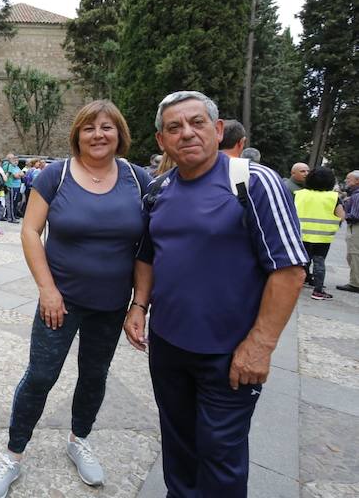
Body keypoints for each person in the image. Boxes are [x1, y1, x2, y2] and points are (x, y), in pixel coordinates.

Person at [124, 90, 307, 498]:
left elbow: (290, 270)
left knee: (220, 455)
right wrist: (139, 305)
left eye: (197, 123)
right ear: (161, 141)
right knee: (178, 446)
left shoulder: (253, 183)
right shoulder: (158, 190)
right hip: (169, 347)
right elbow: (148, 254)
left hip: (231, 354)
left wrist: (260, 345)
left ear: (218, 129)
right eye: (174, 127)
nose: (186, 133)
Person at [0, 101, 152, 497]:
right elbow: (30, 232)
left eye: (107, 127)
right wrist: (47, 290)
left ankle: (80, 440)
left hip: (111, 305)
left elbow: (147, 247)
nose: (98, 134)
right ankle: (13, 454)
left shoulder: (138, 179)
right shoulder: (56, 176)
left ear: (119, 133)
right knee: (41, 375)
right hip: (59, 302)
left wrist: (139, 304)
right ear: (77, 133)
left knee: (94, 376)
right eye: (89, 127)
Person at [295, 167, 344, 300]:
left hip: (301, 234)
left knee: (302, 261)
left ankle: (296, 285)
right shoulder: (333, 197)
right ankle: (318, 291)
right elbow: (341, 216)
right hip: (323, 237)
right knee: (319, 262)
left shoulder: (299, 194)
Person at [337, 170, 359, 293]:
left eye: (348, 179)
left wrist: (343, 214)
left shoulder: (357, 195)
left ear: (357, 181)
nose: (346, 181)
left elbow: (355, 216)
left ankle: (355, 283)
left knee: (354, 255)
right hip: (354, 227)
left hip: (356, 228)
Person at [2, 153, 23, 223]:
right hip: (10, 185)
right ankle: (11, 218)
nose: (14, 160)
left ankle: (7, 216)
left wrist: (19, 175)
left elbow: (22, 174)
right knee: (11, 203)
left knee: (8, 202)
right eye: (12, 158)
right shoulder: (9, 165)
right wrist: (19, 175)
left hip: (8, 185)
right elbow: (15, 176)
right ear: (9, 159)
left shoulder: (5, 165)